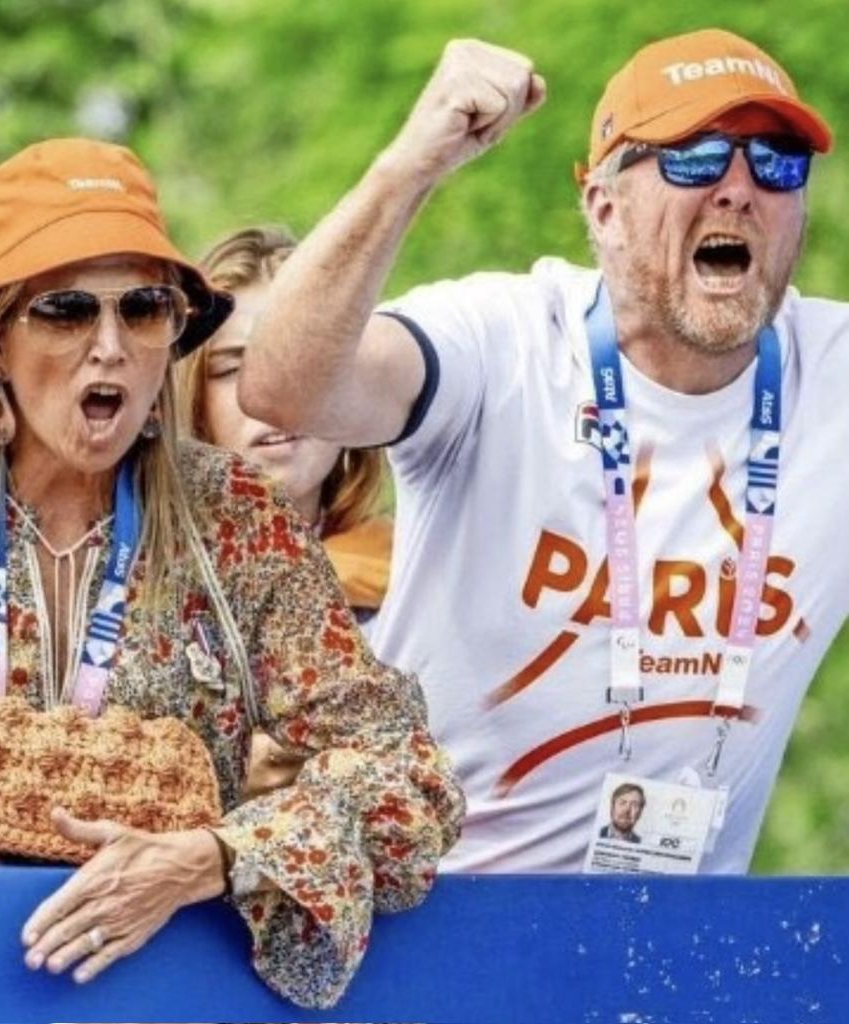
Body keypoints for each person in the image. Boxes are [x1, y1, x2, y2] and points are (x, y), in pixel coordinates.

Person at [237, 29, 849, 875]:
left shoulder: (831, 376)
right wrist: (411, 164)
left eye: (777, 163)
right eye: (695, 157)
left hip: (663, 963)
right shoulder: (505, 341)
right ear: (602, 206)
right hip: (424, 919)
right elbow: (284, 388)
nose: (739, 189)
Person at [0, 138, 463, 1010]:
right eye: (63, 310)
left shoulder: (235, 519)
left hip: (168, 990)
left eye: (141, 308)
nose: (109, 346)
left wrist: (214, 856)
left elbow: (407, 777)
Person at [177, 225, 394, 799]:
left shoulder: (416, 575)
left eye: (306, 360)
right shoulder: (131, 576)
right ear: (186, 396)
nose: (273, 394)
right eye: (231, 368)